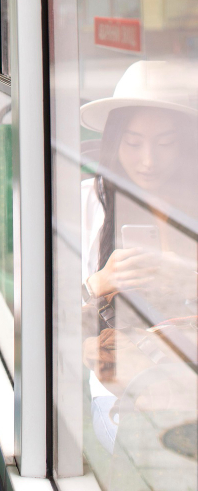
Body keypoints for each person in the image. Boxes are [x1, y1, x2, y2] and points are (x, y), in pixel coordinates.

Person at [80, 60, 198, 455]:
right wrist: (100, 283)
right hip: (126, 381)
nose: (148, 160)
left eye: (164, 144)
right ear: (115, 142)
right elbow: (42, 321)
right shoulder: (85, 203)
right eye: (133, 144)